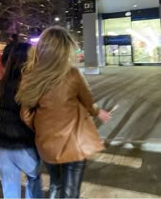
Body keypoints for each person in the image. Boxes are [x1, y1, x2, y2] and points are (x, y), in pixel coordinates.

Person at [16, 26, 111, 198]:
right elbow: (88, 102)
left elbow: (25, 115)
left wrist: (42, 130)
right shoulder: (73, 74)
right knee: (71, 192)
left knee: (56, 183)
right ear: (64, 50)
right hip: (73, 143)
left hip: (46, 145)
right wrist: (97, 112)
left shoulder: (30, 76)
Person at [0, 42, 42, 198]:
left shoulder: (2, 84)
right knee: (34, 183)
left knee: (10, 193)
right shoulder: (29, 85)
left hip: (3, 149)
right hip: (24, 148)